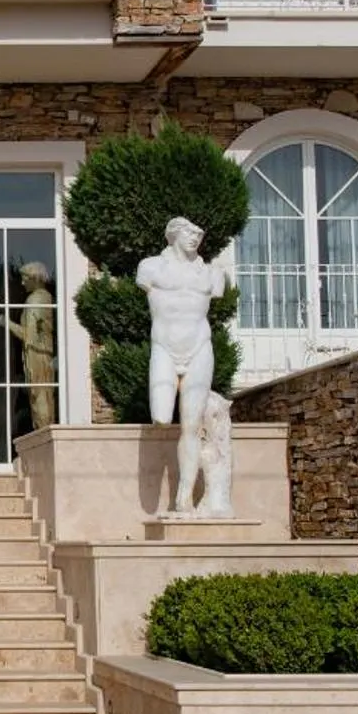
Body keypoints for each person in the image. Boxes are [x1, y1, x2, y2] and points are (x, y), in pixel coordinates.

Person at [136, 216, 228, 515]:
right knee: (161, 416)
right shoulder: (150, 268)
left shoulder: (212, 273)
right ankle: (183, 495)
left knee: (191, 424)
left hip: (200, 346)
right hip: (164, 346)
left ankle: (184, 497)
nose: (195, 238)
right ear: (173, 234)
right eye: (189, 232)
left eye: (199, 234)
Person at [3, 260, 57, 433]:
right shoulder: (42, 298)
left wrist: (6, 323)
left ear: (35, 278)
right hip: (38, 353)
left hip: (38, 353)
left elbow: (30, 335)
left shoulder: (36, 299)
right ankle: (42, 433)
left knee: (39, 394)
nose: (22, 282)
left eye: (25, 278)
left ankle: (43, 433)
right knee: (39, 394)